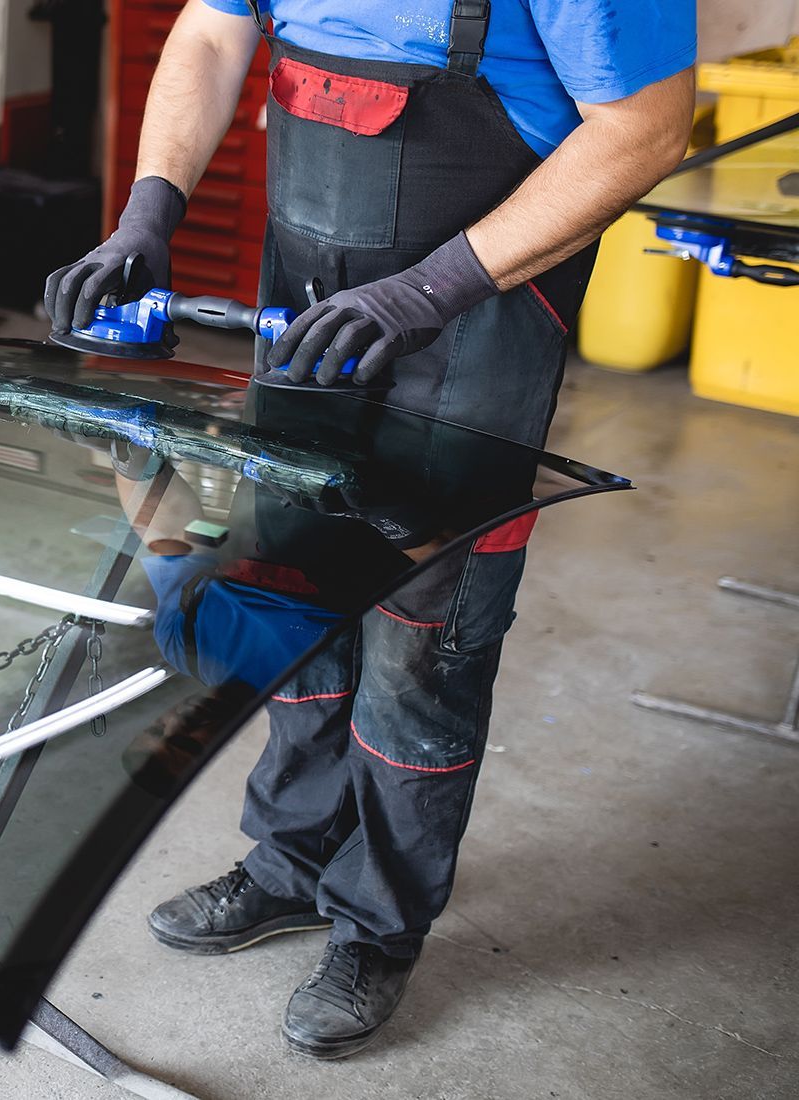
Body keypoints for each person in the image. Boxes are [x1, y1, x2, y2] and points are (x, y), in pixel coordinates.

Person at [45, 0, 695, 1059]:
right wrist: (148, 214)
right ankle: (289, 863)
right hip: (306, 302)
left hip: (475, 319)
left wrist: (429, 290)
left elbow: (649, 127)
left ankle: (379, 923)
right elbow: (212, 34)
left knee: (420, 641)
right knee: (291, 589)